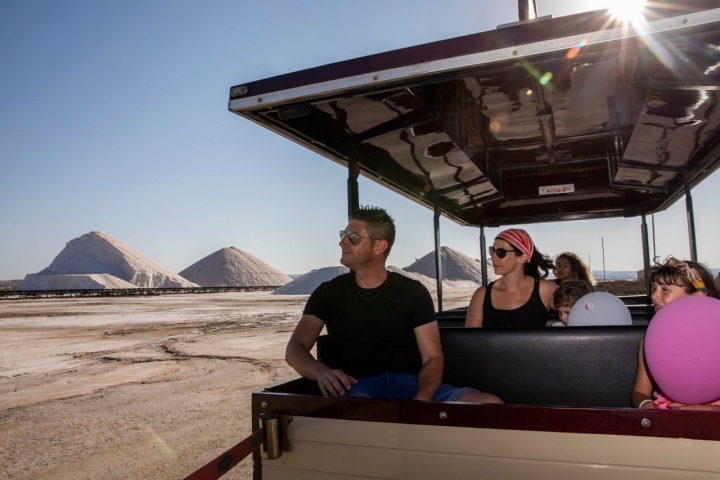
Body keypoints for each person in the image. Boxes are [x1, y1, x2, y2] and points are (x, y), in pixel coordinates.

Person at [285, 206, 502, 404]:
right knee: (365, 417)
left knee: (490, 404)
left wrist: (422, 399)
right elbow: (295, 348)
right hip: (355, 389)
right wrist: (322, 372)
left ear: (379, 246)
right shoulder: (329, 292)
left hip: (413, 386)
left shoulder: (412, 291)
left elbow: (433, 357)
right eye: (343, 235)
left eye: (353, 237)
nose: (343, 242)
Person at [632, 257, 720, 411]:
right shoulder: (651, 340)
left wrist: (710, 411)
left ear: (697, 297)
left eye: (665, 289)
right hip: (667, 416)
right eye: (655, 288)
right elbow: (639, 392)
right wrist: (645, 404)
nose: (654, 296)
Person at [465, 228, 558, 328]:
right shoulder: (482, 295)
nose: (492, 257)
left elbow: (574, 311)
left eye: (501, 252)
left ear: (522, 257)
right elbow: (471, 340)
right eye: (492, 251)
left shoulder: (544, 290)